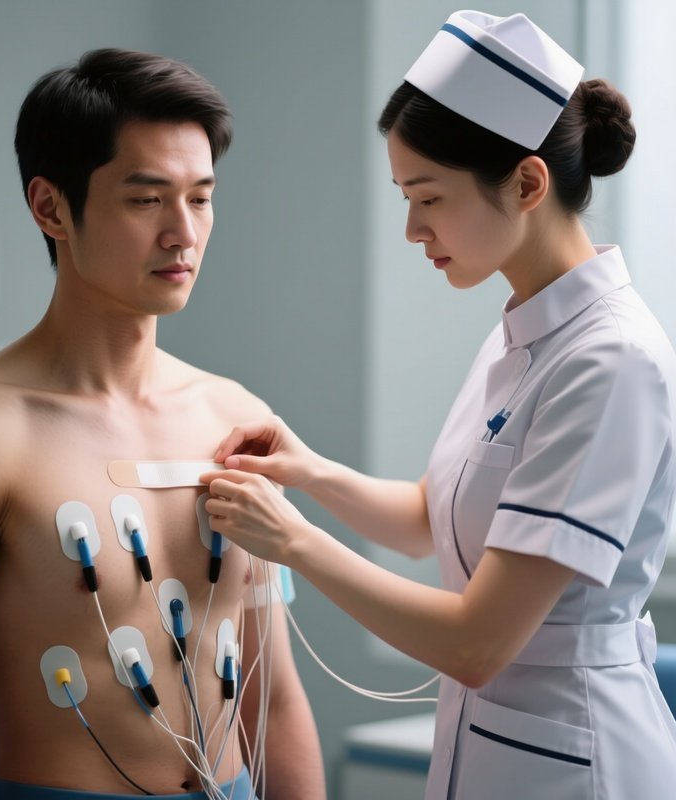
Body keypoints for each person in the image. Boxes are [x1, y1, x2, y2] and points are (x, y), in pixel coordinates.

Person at [201, 10, 676, 799]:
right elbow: (432, 519)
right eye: (403, 196)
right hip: (499, 748)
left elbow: (478, 643)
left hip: (582, 763)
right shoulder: (524, 331)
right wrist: (309, 469)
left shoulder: (610, 360)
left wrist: (295, 542)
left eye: (429, 197)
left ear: (528, 183)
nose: (414, 229)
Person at [0, 49, 325, 800]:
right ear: (51, 207)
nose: (183, 233)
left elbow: (272, 702)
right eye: (147, 200)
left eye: (202, 198)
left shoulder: (238, 418)